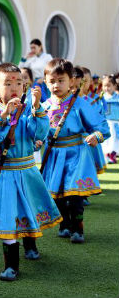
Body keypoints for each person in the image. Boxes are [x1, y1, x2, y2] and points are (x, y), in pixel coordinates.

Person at [0, 63, 61, 281]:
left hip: (27, 170)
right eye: (8, 83)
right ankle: (11, 266)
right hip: (6, 172)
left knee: (30, 210)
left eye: (19, 82)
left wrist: (36, 107)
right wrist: (5, 115)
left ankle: (30, 244)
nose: (15, 87)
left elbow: (41, 133)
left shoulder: (29, 109)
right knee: (8, 217)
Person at [41, 59, 110, 244]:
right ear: (45, 81)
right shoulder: (44, 106)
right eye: (52, 81)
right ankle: (64, 225)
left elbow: (102, 127)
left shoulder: (80, 104)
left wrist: (96, 136)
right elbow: (36, 131)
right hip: (54, 154)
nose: (56, 85)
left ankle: (77, 229)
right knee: (57, 195)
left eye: (61, 80)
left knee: (75, 194)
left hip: (76, 154)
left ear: (71, 81)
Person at [102, 74, 119, 163]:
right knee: (107, 140)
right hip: (106, 122)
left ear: (114, 86)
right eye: (104, 86)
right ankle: (107, 154)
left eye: (109, 86)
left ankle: (113, 154)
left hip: (116, 122)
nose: (106, 88)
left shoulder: (117, 97)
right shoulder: (102, 98)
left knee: (116, 140)